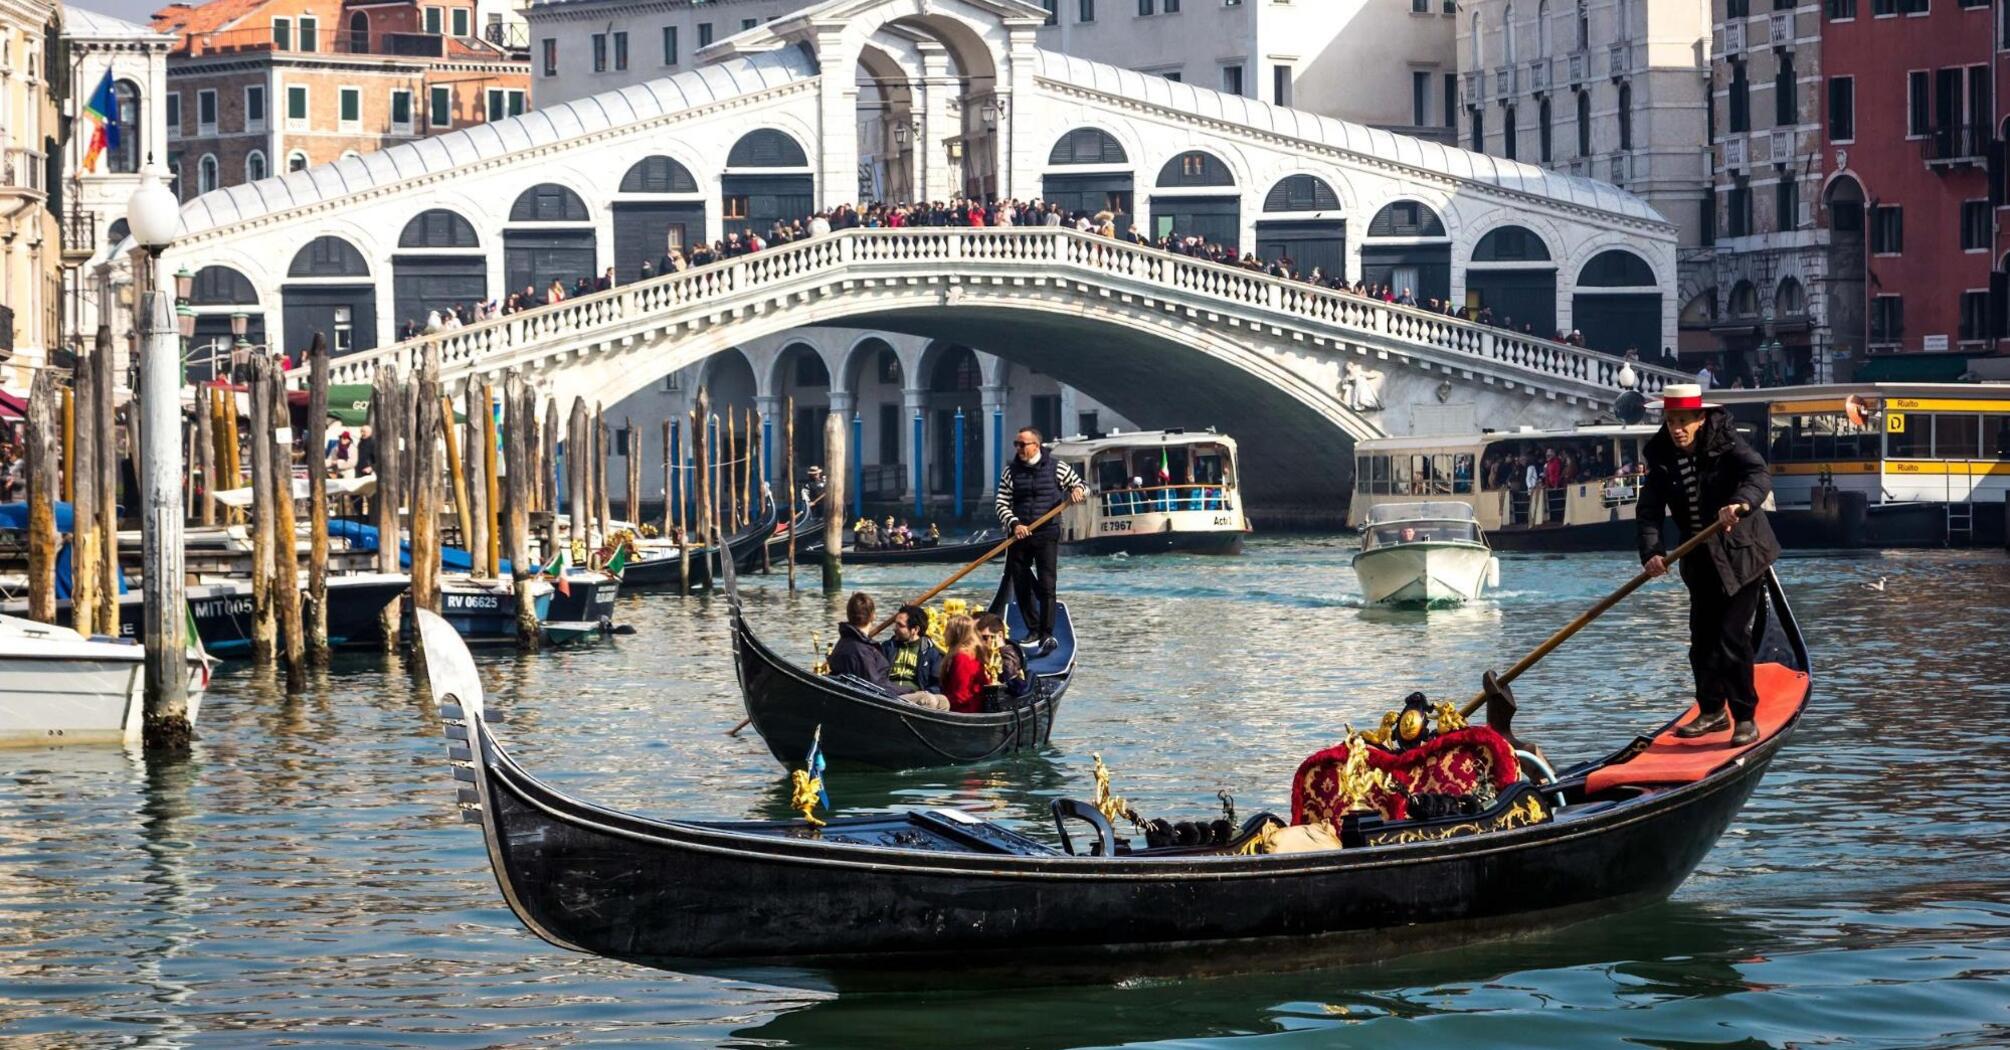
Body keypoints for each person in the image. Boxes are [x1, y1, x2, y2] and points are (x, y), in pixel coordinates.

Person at [1638, 383, 1780, 747]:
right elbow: (1649, 510)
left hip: (1743, 553)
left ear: (1700, 419)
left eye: (1684, 421)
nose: (1677, 429)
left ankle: (1745, 716)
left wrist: (1739, 504)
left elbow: (1758, 476)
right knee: (1701, 640)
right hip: (1699, 558)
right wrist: (1652, 551)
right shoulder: (1661, 454)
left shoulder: (1727, 442)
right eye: (1671, 421)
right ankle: (1712, 710)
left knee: (1731, 637)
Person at [994, 426, 1086, 652]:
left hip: (1046, 533)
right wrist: (1015, 524)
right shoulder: (1010, 471)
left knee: (1047, 584)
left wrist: (1077, 490)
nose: (1018, 448)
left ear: (1036, 445)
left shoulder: (1057, 468)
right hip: (1019, 534)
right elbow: (1001, 504)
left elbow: (1084, 487)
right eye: (1016, 444)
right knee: (1021, 580)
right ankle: (1033, 628)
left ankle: (1046, 633)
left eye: (1022, 444)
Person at [824, 592, 895, 694]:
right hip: (877, 697)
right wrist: (909, 690)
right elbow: (875, 686)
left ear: (848, 615)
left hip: (858, 693)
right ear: (873, 616)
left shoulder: (842, 642)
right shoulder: (863, 650)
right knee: (924, 697)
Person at [880, 604, 947, 709]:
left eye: (900, 625)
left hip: (916, 695)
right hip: (891, 694)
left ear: (915, 629)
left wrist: (927, 692)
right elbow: (878, 676)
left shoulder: (930, 652)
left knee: (944, 701)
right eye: (895, 624)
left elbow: (936, 684)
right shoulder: (887, 647)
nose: (894, 629)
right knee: (930, 700)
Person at [974, 611, 1032, 701]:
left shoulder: (1009, 653)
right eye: (979, 638)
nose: (981, 642)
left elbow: (1012, 682)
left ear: (1000, 635)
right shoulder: (981, 651)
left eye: (985, 638)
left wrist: (1002, 649)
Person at [938, 614, 985, 713]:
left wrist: (938, 701)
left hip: (962, 710)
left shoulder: (962, 658)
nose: (944, 634)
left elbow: (961, 695)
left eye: (947, 630)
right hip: (966, 707)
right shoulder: (972, 653)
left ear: (956, 634)